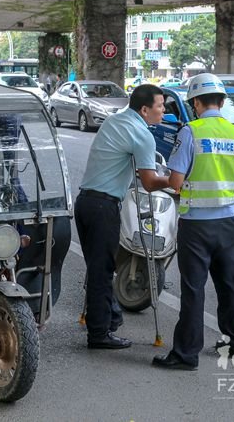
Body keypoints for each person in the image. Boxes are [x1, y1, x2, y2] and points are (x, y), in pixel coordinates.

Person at [152, 73, 234, 371]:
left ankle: (186, 354)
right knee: (230, 284)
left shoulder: (191, 132)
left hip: (196, 225)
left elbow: (175, 180)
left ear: (196, 102)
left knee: (194, 289)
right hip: (229, 223)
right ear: (222, 102)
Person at [76, 84, 169, 350]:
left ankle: (111, 317)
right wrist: (174, 182)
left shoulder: (114, 120)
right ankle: (99, 333)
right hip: (103, 207)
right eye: (160, 106)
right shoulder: (142, 134)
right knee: (102, 271)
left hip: (84, 203)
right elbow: (149, 182)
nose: (163, 111)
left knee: (98, 268)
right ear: (144, 109)